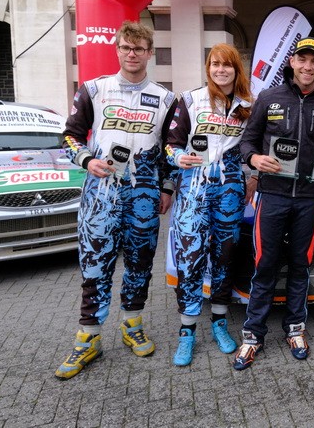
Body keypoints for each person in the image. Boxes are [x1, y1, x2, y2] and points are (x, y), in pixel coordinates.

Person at [56, 21, 177, 379]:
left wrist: (168, 187)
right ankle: (88, 337)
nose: (132, 54)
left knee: (140, 263)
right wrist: (85, 160)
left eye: (139, 48)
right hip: (102, 192)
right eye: (126, 47)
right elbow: (70, 136)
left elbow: (171, 151)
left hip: (144, 192)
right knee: (95, 263)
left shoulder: (166, 98)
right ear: (117, 50)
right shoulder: (93, 89)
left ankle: (132, 325)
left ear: (149, 53)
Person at [234, 37, 314, 370]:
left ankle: (295, 328)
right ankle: (253, 335)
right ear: (292, 62)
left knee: (301, 264)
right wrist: (254, 158)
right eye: (302, 60)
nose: (308, 66)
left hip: (310, 199)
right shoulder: (269, 98)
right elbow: (247, 143)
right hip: (273, 196)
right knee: (265, 264)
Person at [164, 43, 256, 366]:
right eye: (215, 64)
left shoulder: (248, 105)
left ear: (236, 69)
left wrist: (253, 178)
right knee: (190, 258)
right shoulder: (191, 100)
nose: (221, 70)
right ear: (209, 68)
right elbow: (170, 145)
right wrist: (178, 156)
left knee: (225, 255)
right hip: (193, 189)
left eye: (227, 65)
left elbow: (253, 147)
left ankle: (219, 322)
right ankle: (187, 331)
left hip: (230, 189)